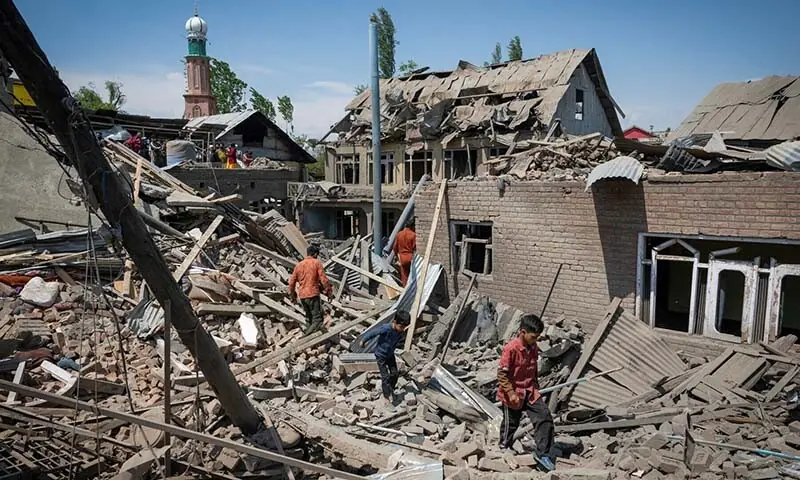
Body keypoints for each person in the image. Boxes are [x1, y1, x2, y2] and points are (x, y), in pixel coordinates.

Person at [498, 313, 555, 471]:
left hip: (530, 391)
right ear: (523, 332)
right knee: (512, 423)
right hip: (513, 393)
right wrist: (511, 393)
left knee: (544, 417)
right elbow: (502, 374)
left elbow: (533, 369)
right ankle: (504, 446)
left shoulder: (533, 347)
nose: (536, 340)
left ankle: (543, 454)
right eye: (533, 337)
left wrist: (536, 387)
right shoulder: (511, 349)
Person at [359, 310, 411, 405]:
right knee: (385, 377)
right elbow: (373, 333)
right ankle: (386, 397)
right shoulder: (386, 328)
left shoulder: (400, 331)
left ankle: (390, 389)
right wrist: (363, 340)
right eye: (401, 327)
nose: (402, 329)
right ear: (395, 322)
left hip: (390, 355)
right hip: (381, 356)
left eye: (404, 327)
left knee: (395, 374)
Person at [288, 244, 332, 334]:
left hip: (303, 296)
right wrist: (329, 292)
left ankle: (311, 341)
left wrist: (293, 296)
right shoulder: (316, 263)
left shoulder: (299, 265)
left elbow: (291, 282)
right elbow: (324, 280)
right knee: (317, 320)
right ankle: (306, 337)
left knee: (309, 318)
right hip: (313, 294)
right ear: (315, 254)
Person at [393, 219, 417, 286]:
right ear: (412, 226)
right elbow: (415, 247)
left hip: (402, 257)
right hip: (411, 257)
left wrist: (396, 257)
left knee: (405, 277)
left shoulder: (399, 234)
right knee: (413, 276)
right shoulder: (413, 235)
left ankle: (406, 291)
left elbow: (395, 247)